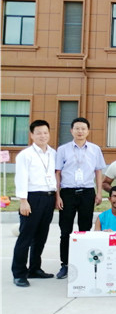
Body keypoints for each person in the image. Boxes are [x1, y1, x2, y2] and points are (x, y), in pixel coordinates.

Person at [55, 117, 106, 280]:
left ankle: (83, 262)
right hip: (67, 193)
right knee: (65, 230)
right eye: (77, 128)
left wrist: (99, 193)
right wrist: (57, 195)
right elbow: (57, 173)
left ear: (88, 131)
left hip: (87, 192)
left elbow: (98, 171)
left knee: (85, 229)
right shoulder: (62, 150)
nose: (80, 131)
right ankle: (65, 264)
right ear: (71, 131)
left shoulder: (95, 149)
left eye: (83, 128)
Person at [12, 120, 57, 287]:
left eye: (45, 132)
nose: (42, 136)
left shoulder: (53, 153)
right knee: (26, 236)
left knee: (41, 236)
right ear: (32, 135)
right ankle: (19, 273)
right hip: (32, 198)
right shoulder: (25, 155)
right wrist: (23, 201)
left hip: (49, 197)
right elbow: (21, 178)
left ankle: (35, 268)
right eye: (38, 133)